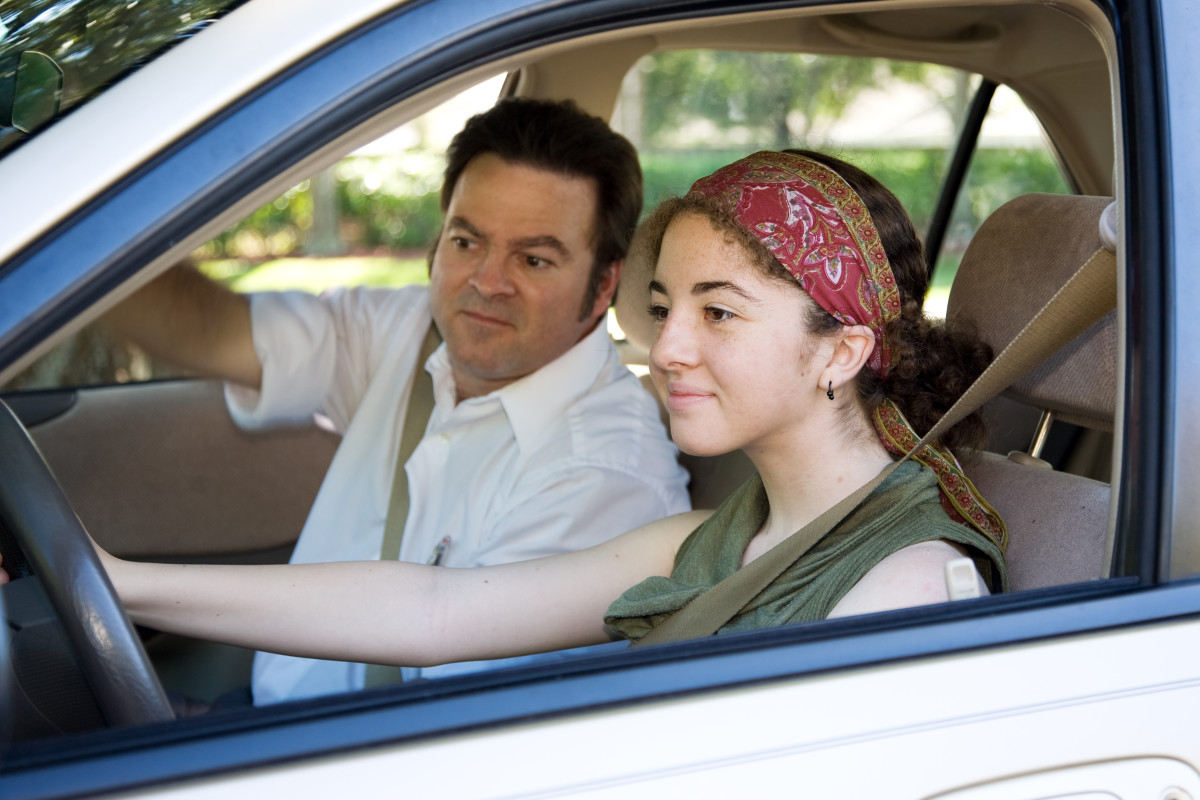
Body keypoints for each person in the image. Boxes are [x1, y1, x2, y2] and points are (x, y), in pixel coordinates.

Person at [4, 149, 1007, 674]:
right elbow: (436, 610)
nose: (669, 347)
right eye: (664, 308)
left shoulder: (910, 579)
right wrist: (114, 581)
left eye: (720, 312)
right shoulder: (710, 539)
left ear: (842, 349)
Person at [99, 98, 691, 703]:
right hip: (272, 713)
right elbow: (214, 332)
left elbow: (454, 710)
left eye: (534, 258)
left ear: (604, 286)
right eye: (467, 241)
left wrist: (113, 583)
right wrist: (76, 227)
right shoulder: (407, 331)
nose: (487, 281)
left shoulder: (606, 476)